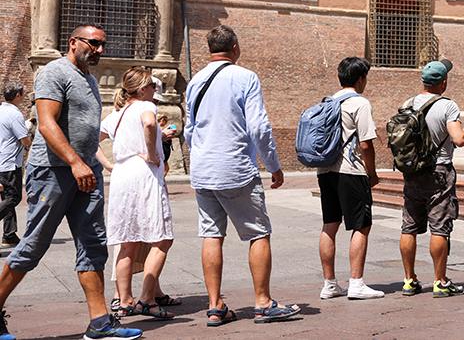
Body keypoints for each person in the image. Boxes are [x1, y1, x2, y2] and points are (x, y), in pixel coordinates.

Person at [0, 24, 143, 340]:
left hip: (86, 172)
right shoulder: (54, 72)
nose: (99, 50)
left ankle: (100, 322)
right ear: (74, 42)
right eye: (94, 43)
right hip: (52, 171)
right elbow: (47, 124)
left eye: (103, 44)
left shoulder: (90, 80)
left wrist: (90, 163)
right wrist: (75, 162)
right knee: (34, 245)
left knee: (93, 245)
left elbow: (87, 130)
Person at [184, 25, 299, 326]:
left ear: (210, 49)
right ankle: (263, 302)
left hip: (203, 169)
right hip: (235, 167)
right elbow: (258, 126)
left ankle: (214, 305)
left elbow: (189, 130)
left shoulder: (195, 81)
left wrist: (200, 156)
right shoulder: (245, 77)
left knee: (211, 234)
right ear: (235, 47)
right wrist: (273, 164)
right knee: (258, 232)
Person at [99, 67, 175, 320]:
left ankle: (124, 301)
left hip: (121, 174)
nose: (154, 91)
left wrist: (108, 164)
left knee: (127, 241)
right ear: (142, 89)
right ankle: (147, 299)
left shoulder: (116, 114)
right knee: (162, 238)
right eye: (152, 87)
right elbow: (149, 123)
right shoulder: (147, 106)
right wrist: (153, 154)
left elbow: (89, 141)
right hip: (144, 174)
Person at [399, 60, 464, 298]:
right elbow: (458, 139)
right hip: (439, 172)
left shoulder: (407, 104)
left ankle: (409, 280)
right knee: (439, 228)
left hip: (412, 173)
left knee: (408, 227)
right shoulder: (448, 106)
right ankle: (440, 282)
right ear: (444, 82)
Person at [318, 57, 384, 301]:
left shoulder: (328, 101)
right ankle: (356, 283)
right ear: (360, 79)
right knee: (361, 225)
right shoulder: (359, 103)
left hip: (325, 170)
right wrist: (372, 173)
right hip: (350, 170)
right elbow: (366, 144)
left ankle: (329, 284)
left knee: (330, 224)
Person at [0, 82, 31, 249]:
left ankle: (9, 235)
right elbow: (24, 139)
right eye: (23, 93)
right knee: (13, 197)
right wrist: (31, 141)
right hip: (10, 163)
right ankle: (9, 235)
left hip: (1, 161)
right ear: (18, 95)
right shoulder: (14, 114)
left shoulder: (1, 110)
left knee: (6, 198)